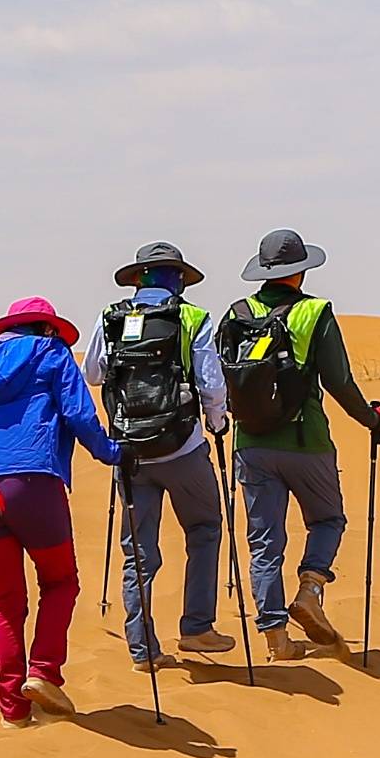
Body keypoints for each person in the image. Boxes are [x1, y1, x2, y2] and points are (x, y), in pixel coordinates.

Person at [0, 299, 125, 721]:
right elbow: (79, 414)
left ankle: (13, 709)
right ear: (45, 328)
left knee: (4, 602)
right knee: (60, 582)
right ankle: (43, 672)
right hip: (34, 483)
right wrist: (113, 453)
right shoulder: (52, 352)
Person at [217, 228, 380, 660]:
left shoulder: (236, 314)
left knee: (264, 542)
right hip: (305, 440)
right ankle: (310, 588)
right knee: (328, 520)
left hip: (250, 443)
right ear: (301, 271)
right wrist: (371, 419)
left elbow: (218, 378)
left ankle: (276, 641)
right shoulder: (314, 312)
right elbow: (339, 381)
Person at [87, 244, 231, 675]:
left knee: (138, 552)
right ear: (179, 279)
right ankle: (197, 626)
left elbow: (93, 373)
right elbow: (210, 382)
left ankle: (142, 649)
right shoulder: (192, 317)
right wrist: (217, 422)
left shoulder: (110, 318)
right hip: (182, 445)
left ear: (138, 278)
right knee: (204, 529)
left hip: (129, 451)